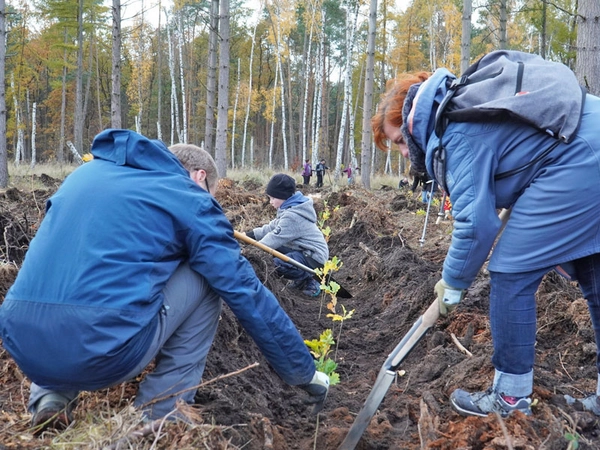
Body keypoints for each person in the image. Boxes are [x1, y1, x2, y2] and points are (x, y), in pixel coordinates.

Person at [0, 130, 329, 434]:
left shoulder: (85, 176)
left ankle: (51, 395)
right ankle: (162, 413)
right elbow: (245, 291)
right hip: (104, 352)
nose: (211, 204)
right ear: (200, 178)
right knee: (207, 275)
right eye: (212, 196)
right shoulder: (189, 196)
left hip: (23, 344)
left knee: (80, 267)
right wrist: (302, 372)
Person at [372, 60, 600, 419]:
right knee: (594, 273)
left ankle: (509, 399)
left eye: (400, 141)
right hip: (589, 141)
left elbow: (477, 226)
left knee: (511, 271)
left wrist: (452, 283)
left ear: (413, 125)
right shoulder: (463, 107)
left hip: (578, 160)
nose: (403, 153)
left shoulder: (456, 132)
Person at [246, 173, 329, 297]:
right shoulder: (289, 208)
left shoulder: (293, 216)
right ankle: (302, 277)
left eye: (273, 198)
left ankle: (313, 276)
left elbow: (274, 238)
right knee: (274, 253)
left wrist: (251, 252)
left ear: (283, 196)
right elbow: (271, 228)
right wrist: (248, 235)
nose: (270, 202)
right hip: (303, 250)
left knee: (275, 265)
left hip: (314, 258)